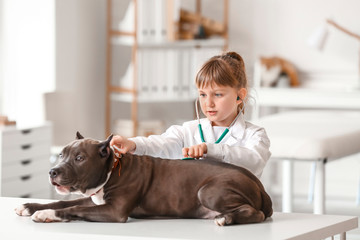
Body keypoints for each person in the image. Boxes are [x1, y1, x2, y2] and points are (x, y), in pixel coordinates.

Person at [110, 51, 271, 178]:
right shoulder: (188, 131)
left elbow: (253, 161)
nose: (209, 103)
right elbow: (162, 144)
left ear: (240, 96)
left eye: (218, 94)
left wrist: (210, 150)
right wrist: (133, 144)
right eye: (202, 94)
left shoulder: (255, 135)